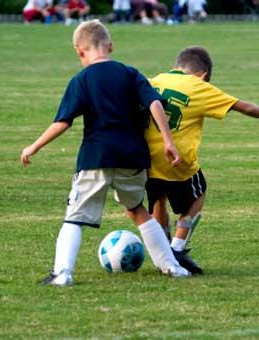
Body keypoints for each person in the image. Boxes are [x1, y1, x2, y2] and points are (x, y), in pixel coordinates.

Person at [20, 19, 191, 286]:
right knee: (137, 210)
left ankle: (62, 273)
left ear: (79, 51)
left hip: (95, 158)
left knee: (75, 218)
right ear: (110, 46)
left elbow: (63, 122)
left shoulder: (82, 79)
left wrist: (34, 146)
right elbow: (155, 103)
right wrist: (168, 141)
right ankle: (171, 267)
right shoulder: (130, 73)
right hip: (132, 157)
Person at [144, 46, 259, 274]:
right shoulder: (199, 86)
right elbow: (244, 106)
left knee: (158, 199)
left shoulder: (154, 80)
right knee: (198, 193)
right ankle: (177, 249)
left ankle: (162, 253)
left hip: (146, 159)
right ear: (203, 75)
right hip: (176, 161)